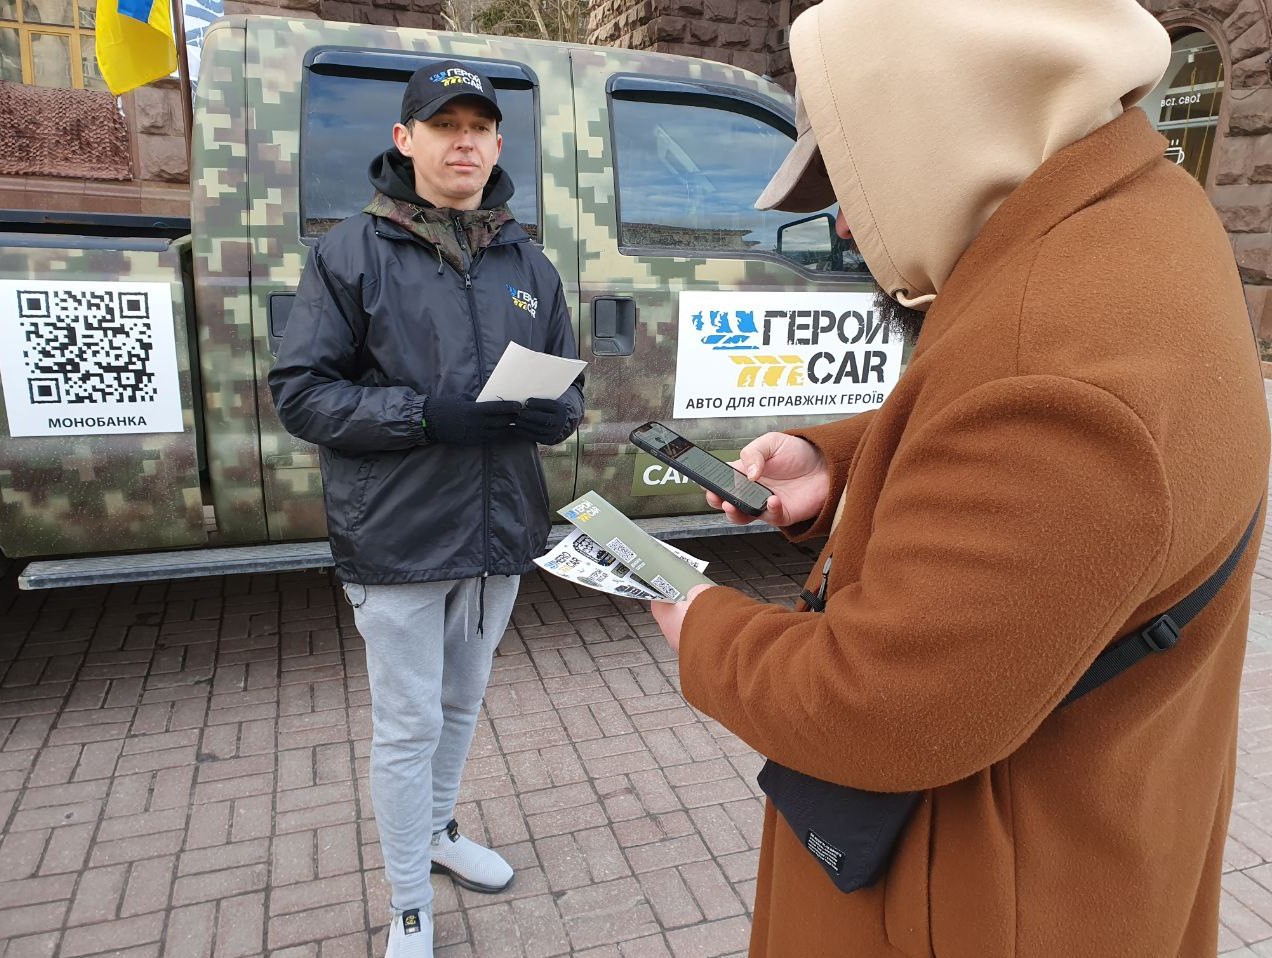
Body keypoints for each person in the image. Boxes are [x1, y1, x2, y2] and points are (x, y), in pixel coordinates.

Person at [650, 1, 1271, 955]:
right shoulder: (1138, 214)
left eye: (858, 179)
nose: (849, 227)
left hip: (981, 898)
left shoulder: (1057, 371)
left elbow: (882, 709)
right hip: (1100, 836)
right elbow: (1002, 429)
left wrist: (708, 631)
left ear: (947, 126)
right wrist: (840, 460)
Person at [269, 60, 583, 958]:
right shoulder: (349, 254)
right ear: (406, 142)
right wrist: (425, 415)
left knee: (460, 705)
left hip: (496, 532)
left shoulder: (527, 260)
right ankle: (409, 898)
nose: (466, 143)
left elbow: (568, 390)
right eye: (445, 127)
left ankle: (440, 834)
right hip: (400, 535)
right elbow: (302, 394)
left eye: (480, 127)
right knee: (407, 725)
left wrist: (553, 411)